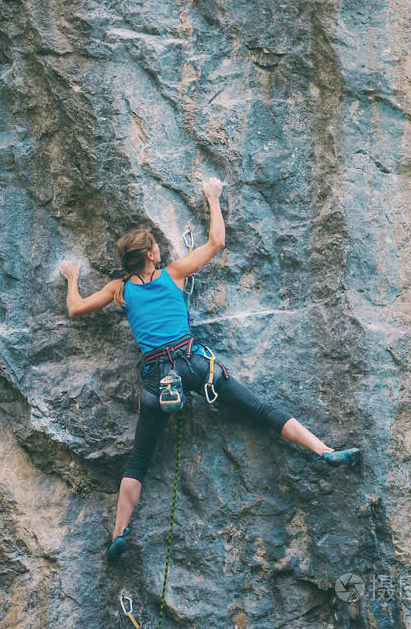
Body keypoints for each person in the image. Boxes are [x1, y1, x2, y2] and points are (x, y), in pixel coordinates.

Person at [60, 177, 361, 562]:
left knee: (139, 459)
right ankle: (323, 451)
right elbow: (216, 242)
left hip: (156, 379)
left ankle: (119, 534)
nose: (159, 248)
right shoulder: (173, 274)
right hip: (195, 365)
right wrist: (213, 198)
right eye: (155, 246)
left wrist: (72, 279)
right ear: (151, 256)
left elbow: (75, 309)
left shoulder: (120, 289)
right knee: (259, 408)